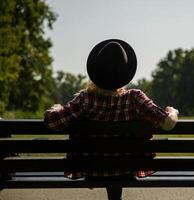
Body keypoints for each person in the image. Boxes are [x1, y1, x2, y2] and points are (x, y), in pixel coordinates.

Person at [44, 39, 179, 200]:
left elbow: (53, 122)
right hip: (127, 169)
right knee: (119, 166)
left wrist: (56, 108)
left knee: (106, 163)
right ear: (125, 72)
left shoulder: (85, 99)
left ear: (95, 70)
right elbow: (167, 123)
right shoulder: (134, 98)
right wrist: (173, 111)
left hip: (92, 170)